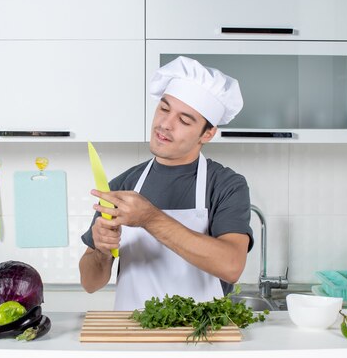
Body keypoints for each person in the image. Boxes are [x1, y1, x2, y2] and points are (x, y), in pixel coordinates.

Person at [79, 56, 253, 311]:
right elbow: (90, 283)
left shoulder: (226, 186)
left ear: (207, 134)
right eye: (163, 108)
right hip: (133, 338)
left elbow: (231, 266)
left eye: (184, 120)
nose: (165, 124)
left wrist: (149, 217)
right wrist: (101, 252)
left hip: (201, 340)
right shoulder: (124, 184)